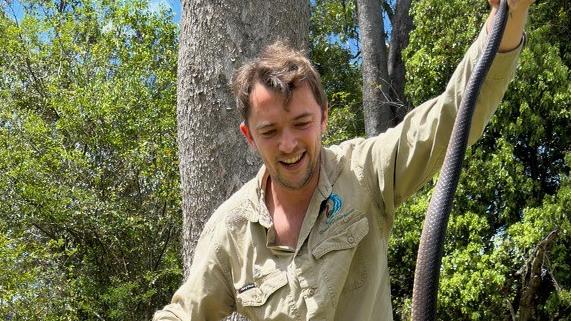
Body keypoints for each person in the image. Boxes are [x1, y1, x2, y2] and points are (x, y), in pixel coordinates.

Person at [154, 0, 532, 320]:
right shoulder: (230, 229)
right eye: (269, 131)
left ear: (324, 118)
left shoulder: (365, 172)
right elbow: (184, 312)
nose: (288, 144)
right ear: (249, 136)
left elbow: (452, 117)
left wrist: (510, 15)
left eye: (301, 123)